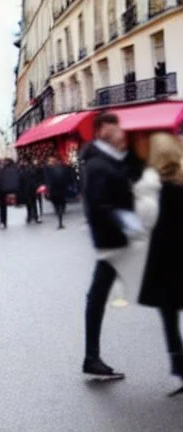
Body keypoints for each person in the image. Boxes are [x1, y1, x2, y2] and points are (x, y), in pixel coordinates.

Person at [81, 112, 137, 380]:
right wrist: (127, 222)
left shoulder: (110, 159)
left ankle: (91, 357)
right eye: (114, 128)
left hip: (118, 239)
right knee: (165, 291)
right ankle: (91, 357)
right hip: (113, 240)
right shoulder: (96, 163)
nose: (119, 132)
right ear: (101, 130)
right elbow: (99, 204)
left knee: (97, 295)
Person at [136, 133, 183, 391]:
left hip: (165, 259)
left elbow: (144, 221)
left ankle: (178, 364)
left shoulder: (153, 189)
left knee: (168, 315)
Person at [0, 158, 21, 229]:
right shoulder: (14, 169)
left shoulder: (2, 169)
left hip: (2, 190)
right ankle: (3, 221)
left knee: (2, 206)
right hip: (6, 190)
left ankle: (2, 221)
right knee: (3, 206)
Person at [44, 156, 70, 229]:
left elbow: (48, 180)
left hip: (56, 189)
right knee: (59, 204)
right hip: (57, 189)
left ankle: (60, 218)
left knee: (58, 204)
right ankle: (60, 218)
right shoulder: (57, 168)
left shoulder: (50, 169)